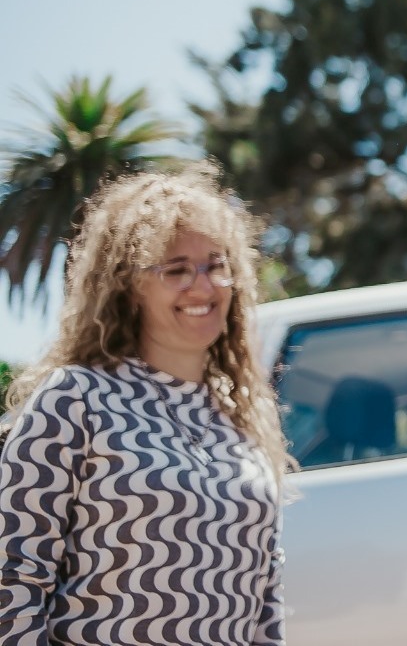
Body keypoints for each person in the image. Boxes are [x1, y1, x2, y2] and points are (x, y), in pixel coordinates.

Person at [0, 163, 293, 646]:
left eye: (216, 265)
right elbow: (12, 576)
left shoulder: (242, 416)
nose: (202, 285)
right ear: (128, 287)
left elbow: (266, 598)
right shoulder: (75, 399)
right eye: (175, 269)